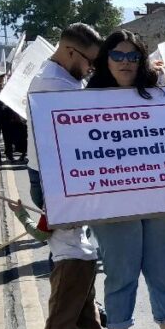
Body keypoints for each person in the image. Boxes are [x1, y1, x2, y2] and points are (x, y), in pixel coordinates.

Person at [85, 30, 165, 329]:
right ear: (106, 59)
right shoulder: (87, 100)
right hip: (113, 202)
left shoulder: (161, 94)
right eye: (118, 55)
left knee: (164, 271)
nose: (125, 63)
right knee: (121, 273)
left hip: (161, 198)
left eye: (133, 57)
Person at [8, 200, 106, 329]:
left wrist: (21, 214)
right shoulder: (78, 199)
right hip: (88, 258)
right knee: (85, 305)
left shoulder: (53, 202)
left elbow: (41, 234)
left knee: (61, 307)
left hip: (68, 261)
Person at [27, 23, 103, 208]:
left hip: (45, 172)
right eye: (90, 62)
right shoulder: (57, 85)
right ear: (70, 52)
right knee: (69, 236)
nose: (91, 69)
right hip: (57, 177)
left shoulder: (55, 73)